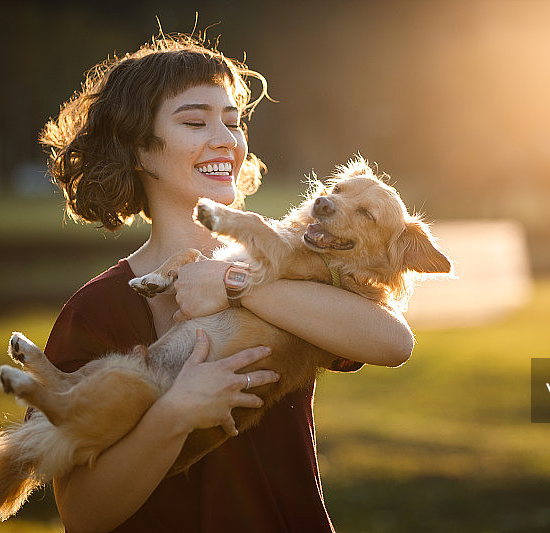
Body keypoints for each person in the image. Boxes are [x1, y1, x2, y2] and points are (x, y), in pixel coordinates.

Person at [39, 34, 415, 532]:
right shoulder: (96, 311)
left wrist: (235, 281)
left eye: (234, 122)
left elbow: (393, 341)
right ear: (136, 150)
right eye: (195, 122)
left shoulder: (304, 266)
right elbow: (84, 515)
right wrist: (173, 416)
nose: (226, 140)